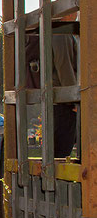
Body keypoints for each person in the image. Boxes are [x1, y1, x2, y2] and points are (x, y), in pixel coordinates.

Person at [25, 12, 79, 158]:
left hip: (57, 102)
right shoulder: (62, 33)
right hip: (64, 103)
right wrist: (74, 99)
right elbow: (64, 66)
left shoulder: (53, 31)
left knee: (56, 152)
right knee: (61, 153)